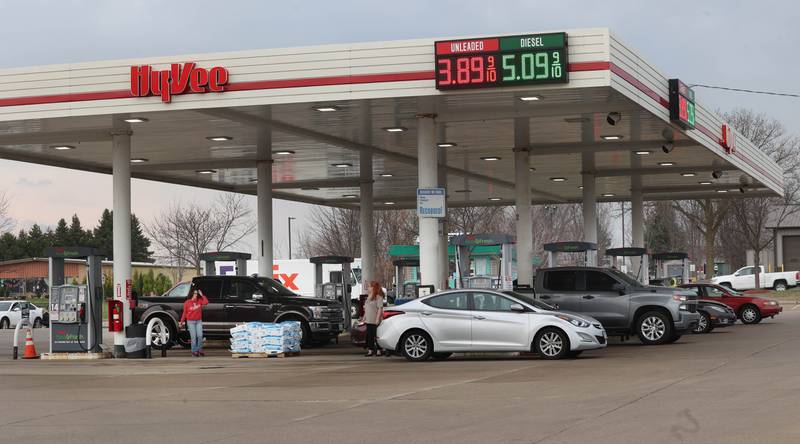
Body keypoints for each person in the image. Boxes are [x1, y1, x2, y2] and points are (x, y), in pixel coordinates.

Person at [179, 289, 209, 357]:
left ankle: (200, 350)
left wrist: (202, 295)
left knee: (200, 335)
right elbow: (184, 313)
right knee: (193, 337)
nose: (196, 295)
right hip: (190, 322)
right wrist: (181, 322)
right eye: (194, 293)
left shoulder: (199, 301)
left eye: (196, 293)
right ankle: (194, 351)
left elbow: (206, 302)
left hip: (198, 321)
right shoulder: (187, 302)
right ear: (191, 294)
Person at [361, 281, 384, 357]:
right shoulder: (369, 296)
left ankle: (379, 350)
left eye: (370, 286)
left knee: (376, 335)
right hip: (368, 319)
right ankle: (370, 350)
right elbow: (366, 308)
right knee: (369, 336)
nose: (368, 288)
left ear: (374, 287)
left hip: (374, 319)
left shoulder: (378, 296)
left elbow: (380, 309)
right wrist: (364, 318)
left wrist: (377, 319)